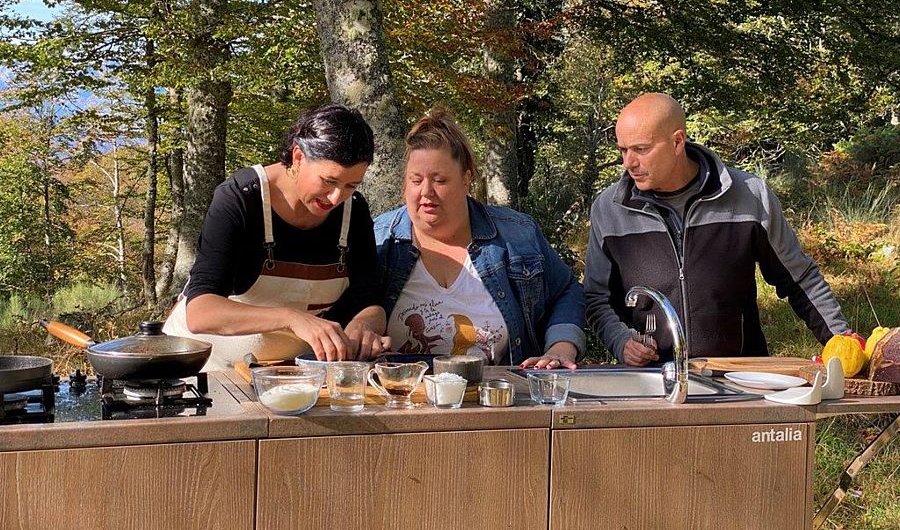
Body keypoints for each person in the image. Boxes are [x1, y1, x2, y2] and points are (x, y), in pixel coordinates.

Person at [584, 93, 850, 366]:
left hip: (740, 379)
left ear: (677, 142)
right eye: (623, 150)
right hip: (648, 384)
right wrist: (621, 341)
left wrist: (844, 342)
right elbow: (596, 298)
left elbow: (800, 280)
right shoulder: (609, 209)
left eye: (641, 149)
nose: (629, 163)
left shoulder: (750, 196)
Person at [164, 103, 389, 370]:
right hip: (200, 366)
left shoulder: (354, 211)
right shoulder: (240, 198)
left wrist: (363, 326)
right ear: (297, 156)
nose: (336, 197)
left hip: (282, 375)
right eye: (329, 181)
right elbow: (201, 312)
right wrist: (292, 319)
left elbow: (370, 301)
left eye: (351, 185)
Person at [374, 110, 586, 369]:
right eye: (415, 180)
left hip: (497, 398)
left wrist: (561, 346)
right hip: (402, 399)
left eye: (439, 180)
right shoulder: (379, 239)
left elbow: (566, 290)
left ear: (467, 179)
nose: (425, 192)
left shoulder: (517, 235)